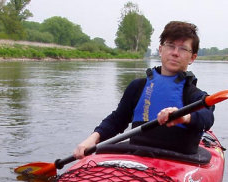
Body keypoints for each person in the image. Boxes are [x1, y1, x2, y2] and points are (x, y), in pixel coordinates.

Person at [74, 21, 214, 159]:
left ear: (193, 57)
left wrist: (184, 117)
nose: (175, 53)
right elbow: (118, 119)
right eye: (170, 46)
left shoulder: (194, 94)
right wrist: (93, 138)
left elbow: (207, 117)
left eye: (183, 49)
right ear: (160, 50)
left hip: (177, 160)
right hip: (137, 157)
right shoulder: (138, 87)